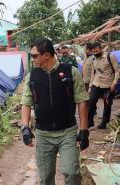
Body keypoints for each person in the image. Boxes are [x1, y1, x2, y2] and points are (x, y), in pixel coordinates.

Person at [21, 38, 89, 185]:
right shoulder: (32, 77)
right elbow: (26, 103)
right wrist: (25, 127)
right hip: (43, 135)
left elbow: (82, 101)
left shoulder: (71, 72)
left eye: (34, 56)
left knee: (72, 173)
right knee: (45, 178)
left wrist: (84, 130)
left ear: (46, 55)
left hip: (67, 132)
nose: (32, 60)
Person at [88, 42, 119, 129]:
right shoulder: (93, 59)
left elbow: (117, 71)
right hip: (96, 84)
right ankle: (90, 122)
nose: (95, 53)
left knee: (107, 104)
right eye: (93, 51)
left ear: (101, 48)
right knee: (91, 102)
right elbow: (93, 73)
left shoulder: (110, 57)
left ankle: (104, 123)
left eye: (97, 50)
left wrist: (114, 83)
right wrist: (90, 86)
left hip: (108, 85)